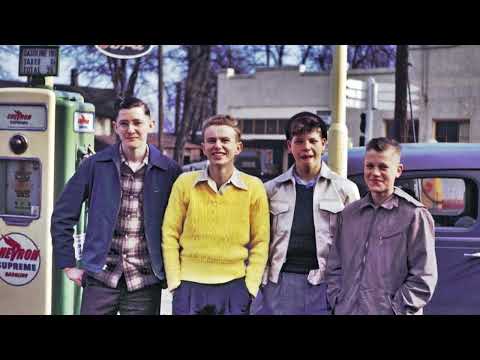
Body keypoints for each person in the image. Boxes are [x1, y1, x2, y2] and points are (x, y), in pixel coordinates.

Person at [51, 97, 181, 315]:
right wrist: (68, 264)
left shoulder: (169, 171)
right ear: (116, 127)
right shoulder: (94, 165)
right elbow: (63, 216)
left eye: (137, 122)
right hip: (99, 277)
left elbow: (181, 225)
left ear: (151, 124)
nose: (131, 129)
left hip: (145, 281)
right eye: (124, 123)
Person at [251, 111, 360, 315]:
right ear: (289, 146)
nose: (306, 147)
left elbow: (354, 246)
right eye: (299, 141)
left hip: (325, 285)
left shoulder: (345, 190)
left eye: (313, 140)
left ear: (324, 144)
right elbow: (259, 241)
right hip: (280, 284)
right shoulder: (270, 190)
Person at [162, 115, 269, 315]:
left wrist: (250, 287)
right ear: (203, 147)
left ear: (238, 147)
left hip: (235, 287)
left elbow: (261, 242)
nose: (217, 145)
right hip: (189, 287)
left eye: (225, 140)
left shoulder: (253, 187)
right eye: (211, 140)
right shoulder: (185, 183)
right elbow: (170, 233)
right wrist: (175, 282)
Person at [325, 137, 438, 315]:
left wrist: (395, 309)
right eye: (369, 166)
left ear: (398, 170)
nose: (375, 173)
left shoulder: (414, 215)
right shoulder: (349, 214)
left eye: (383, 167)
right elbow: (334, 266)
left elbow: (424, 278)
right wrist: (338, 301)